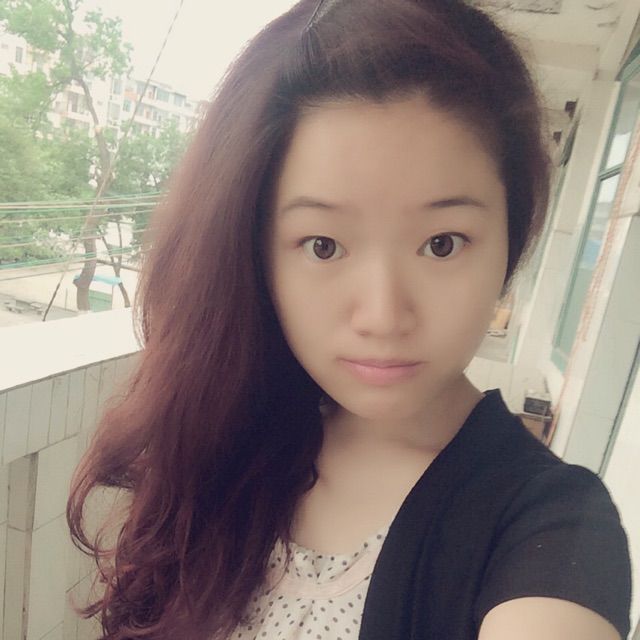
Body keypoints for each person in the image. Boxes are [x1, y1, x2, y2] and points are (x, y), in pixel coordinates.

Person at [67, 0, 632, 639]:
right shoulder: (227, 433)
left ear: (512, 237)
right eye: (323, 245)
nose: (384, 316)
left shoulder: (551, 527)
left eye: (442, 243)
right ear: (252, 251)